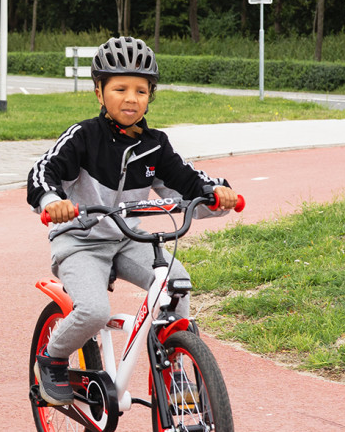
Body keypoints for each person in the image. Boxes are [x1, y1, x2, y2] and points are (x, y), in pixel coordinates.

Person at [26, 36, 239, 406]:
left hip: (127, 238)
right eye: (120, 88)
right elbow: (43, 171)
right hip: (80, 241)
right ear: (99, 92)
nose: (131, 98)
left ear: (150, 96)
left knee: (176, 285)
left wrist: (218, 194)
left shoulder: (155, 145)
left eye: (141, 90)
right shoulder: (84, 138)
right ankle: (52, 358)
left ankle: (172, 372)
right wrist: (52, 200)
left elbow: (187, 182)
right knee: (93, 312)